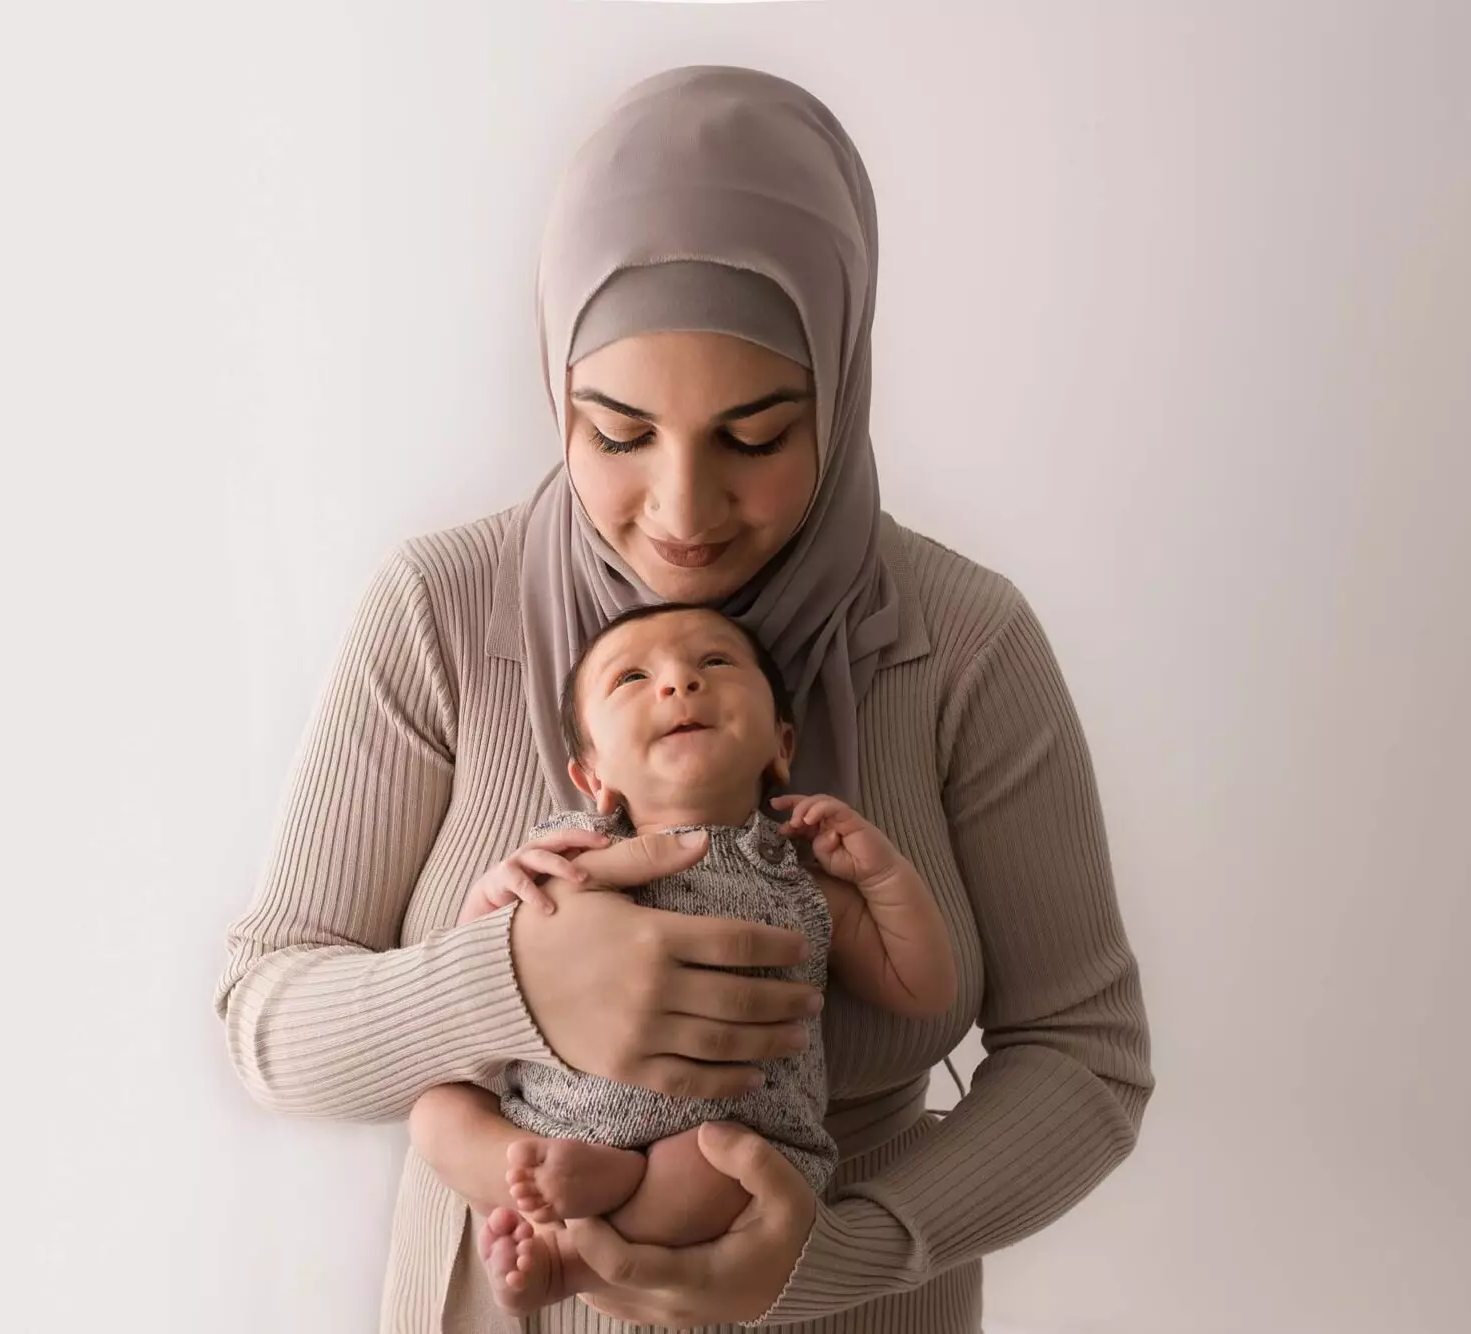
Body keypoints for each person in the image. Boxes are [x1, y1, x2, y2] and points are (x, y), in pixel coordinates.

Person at [216, 64, 1154, 1332]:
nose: (680, 513)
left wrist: (837, 1250)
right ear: (556, 388)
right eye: (614, 433)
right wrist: (510, 979)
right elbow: (266, 1021)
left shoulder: (959, 642)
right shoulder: (444, 608)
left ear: (842, 377)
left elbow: (1084, 1055)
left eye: (757, 437)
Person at [406, 603, 956, 1316]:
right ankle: (561, 1190)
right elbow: (471, 985)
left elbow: (922, 986)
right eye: (633, 677)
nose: (678, 684)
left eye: (715, 664)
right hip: (547, 1122)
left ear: (780, 744)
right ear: (592, 774)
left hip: (719, 1132)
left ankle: (571, 1256)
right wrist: (491, 902)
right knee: (436, 1115)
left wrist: (882, 877)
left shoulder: (799, 876)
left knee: (731, 1166)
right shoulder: (563, 855)